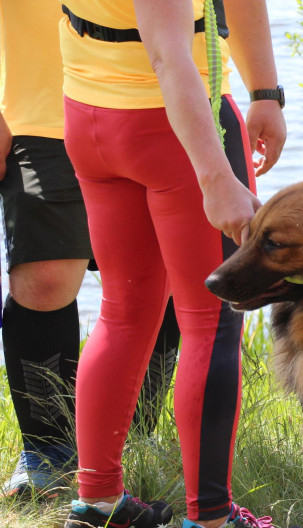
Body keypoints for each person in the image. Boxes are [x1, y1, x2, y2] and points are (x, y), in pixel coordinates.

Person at [57, 0, 303, 528]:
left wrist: (265, 92)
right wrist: (216, 176)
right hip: (172, 127)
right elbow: (170, 57)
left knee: (122, 311)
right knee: (211, 321)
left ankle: (97, 503)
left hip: (89, 114)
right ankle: (213, 525)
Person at [0, 0, 180, 499]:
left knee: (158, 279)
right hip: (37, 115)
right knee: (45, 277)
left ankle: (133, 437)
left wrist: (260, 95)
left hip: (158, 102)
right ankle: (47, 448)